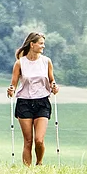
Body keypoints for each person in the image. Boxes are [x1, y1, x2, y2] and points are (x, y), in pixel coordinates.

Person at [7, 30, 57, 165]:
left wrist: (54, 86)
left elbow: (52, 80)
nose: (43, 46)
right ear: (32, 44)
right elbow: (13, 84)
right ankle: (28, 172)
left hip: (42, 101)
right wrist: (11, 90)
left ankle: (39, 163)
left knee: (39, 140)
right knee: (28, 141)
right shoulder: (20, 63)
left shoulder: (46, 61)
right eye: (41, 43)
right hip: (24, 102)